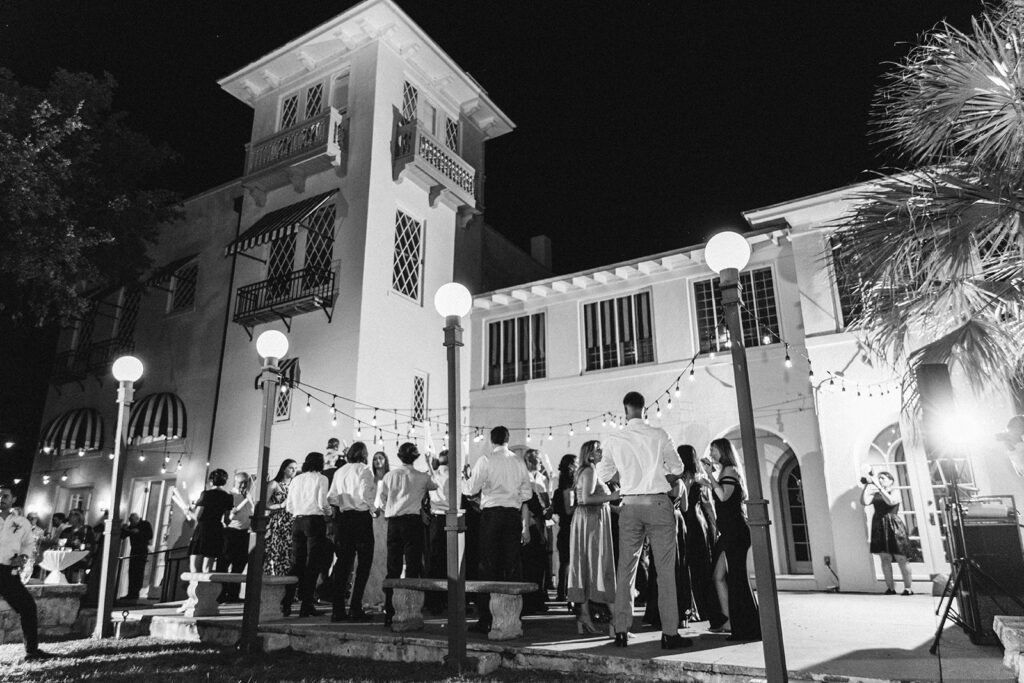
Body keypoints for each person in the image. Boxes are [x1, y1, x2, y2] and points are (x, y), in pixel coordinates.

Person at [596, 391, 691, 650]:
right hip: (658, 504)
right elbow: (679, 468)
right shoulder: (659, 435)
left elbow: (603, 472)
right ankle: (670, 633)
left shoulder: (615, 438)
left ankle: (621, 630)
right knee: (665, 570)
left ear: (625, 411)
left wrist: (625, 479)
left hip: (630, 505)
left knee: (626, 568)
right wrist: (660, 478)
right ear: (643, 409)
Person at [462, 426, 532, 634]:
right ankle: (512, 616)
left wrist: (465, 478)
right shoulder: (518, 462)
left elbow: (470, 489)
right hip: (512, 515)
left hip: (491, 515)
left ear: (491, 440)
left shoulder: (485, 460)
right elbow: (527, 493)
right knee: (511, 564)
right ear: (507, 439)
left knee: (488, 565)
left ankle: (487, 618)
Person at [697, 437, 761, 641]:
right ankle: (731, 622)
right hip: (729, 531)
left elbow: (724, 496)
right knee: (719, 576)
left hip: (736, 531)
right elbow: (724, 494)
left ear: (723, 451)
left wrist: (709, 475)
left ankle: (745, 626)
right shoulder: (725, 472)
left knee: (737, 578)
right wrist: (708, 480)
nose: (711, 454)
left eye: (714, 450)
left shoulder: (730, 470)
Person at [379, 442, 437, 626]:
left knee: (393, 567)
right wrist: (429, 465)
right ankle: (410, 607)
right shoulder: (421, 477)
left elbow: (382, 500)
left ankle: (390, 610)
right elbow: (436, 485)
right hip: (412, 522)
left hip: (394, 522)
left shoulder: (389, 475)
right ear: (416, 457)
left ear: (399, 456)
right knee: (412, 566)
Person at [566, 441, 618, 634]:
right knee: (599, 566)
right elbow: (587, 499)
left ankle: (585, 615)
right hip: (592, 522)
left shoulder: (586, 471)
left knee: (586, 568)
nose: (601, 452)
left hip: (587, 520)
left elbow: (590, 498)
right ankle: (616, 621)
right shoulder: (589, 471)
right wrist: (612, 497)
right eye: (597, 450)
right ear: (589, 454)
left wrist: (614, 507)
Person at [678, 445, 726, 629]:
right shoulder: (699, 476)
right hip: (699, 522)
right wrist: (715, 524)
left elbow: (683, 503)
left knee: (688, 565)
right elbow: (708, 505)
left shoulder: (683, 478)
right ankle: (705, 607)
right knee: (703, 564)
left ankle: (692, 609)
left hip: (686, 521)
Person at [328, 441, 376, 622]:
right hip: (361, 519)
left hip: (344, 519)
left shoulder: (340, 471)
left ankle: (337, 609)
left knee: (343, 565)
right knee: (363, 564)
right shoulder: (365, 469)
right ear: (364, 453)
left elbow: (331, 496)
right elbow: (366, 493)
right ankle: (355, 607)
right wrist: (374, 509)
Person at [0, 488, 50, 660]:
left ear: (13, 499)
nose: (1, 498)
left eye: (5, 496)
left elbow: (28, 543)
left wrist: (22, 556)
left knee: (28, 607)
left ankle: (32, 651)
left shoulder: (21, 522)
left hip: (8, 572)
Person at [286, 451, 332, 617]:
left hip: (297, 521)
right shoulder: (321, 478)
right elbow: (322, 502)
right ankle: (306, 604)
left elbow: (288, 505)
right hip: (314, 521)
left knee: (296, 562)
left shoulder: (296, 479)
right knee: (312, 563)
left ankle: (286, 602)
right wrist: (330, 512)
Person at [861, 469, 914, 595]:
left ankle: (908, 588)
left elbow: (891, 501)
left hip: (893, 524)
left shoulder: (895, 491)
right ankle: (890, 588)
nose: (880, 480)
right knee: (885, 558)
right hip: (879, 524)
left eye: (883, 478)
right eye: (879, 478)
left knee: (901, 557)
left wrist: (879, 487)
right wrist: (866, 486)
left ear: (891, 481)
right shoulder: (876, 493)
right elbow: (864, 502)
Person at [216, 472, 254, 603]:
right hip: (231, 533)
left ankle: (233, 595)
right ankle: (221, 595)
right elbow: (226, 517)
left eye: (246, 482)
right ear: (235, 482)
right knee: (224, 564)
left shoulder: (248, 496)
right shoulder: (230, 496)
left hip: (244, 534)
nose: (243, 485)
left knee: (239, 565)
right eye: (241, 482)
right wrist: (230, 514)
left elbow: (251, 512)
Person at [521, 449, 551, 613]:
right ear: (531, 461)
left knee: (540, 563)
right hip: (529, 521)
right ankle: (529, 600)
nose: (541, 464)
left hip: (540, 521)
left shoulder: (542, 479)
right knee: (529, 563)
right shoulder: (524, 477)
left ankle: (539, 596)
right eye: (539, 461)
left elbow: (546, 501)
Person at [188, 469, 233, 573]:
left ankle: (195, 586)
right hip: (216, 530)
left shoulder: (206, 494)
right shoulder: (228, 497)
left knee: (194, 566)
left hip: (203, 529)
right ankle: (206, 588)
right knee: (207, 568)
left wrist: (188, 511)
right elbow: (227, 520)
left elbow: (197, 516)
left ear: (211, 481)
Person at [424, 449, 451, 615]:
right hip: (450, 518)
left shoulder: (432, 475)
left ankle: (434, 601)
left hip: (435, 519)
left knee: (434, 561)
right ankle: (448, 599)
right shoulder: (453, 476)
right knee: (449, 561)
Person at [362, 451, 390, 611]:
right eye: (375, 458)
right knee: (371, 557)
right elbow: (366, 497)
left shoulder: (389, 478)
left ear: (385, 460)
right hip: (372, 518)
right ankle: (369, 596)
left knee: (384, 556)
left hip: (386, 518)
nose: (377, 461)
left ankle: (384, 595)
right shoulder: (370, 479)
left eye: (380, 458)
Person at [264, 458, 298, 580]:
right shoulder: (274, 484)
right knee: (277, 551)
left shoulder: (296, 484)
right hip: (278, 520)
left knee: (290, 553)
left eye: (296, 468)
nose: (294, 470)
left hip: (292, 521)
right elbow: (264, 504)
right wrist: (280, 505)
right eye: (291, 468)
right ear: (284, 469)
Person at [553, 453, 576, 604]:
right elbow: (568, 510)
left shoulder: (557, 491)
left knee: (564, 562)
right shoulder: (568, 490)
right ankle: (565, 593)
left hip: (564, 528)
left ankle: (562, 592)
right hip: (570, 528)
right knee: (567, 562)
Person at [120, 512, 154, 600]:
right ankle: (130, 592)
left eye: (132, 521)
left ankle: (135, 593)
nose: (132, 523)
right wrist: (123, 529)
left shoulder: (145, 524)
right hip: (134, 549)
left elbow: (150, 535)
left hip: (142, 549)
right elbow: (123, 535)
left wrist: (138, 532)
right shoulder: (132, 526)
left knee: (139, 571)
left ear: (136, 519)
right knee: (131, 571)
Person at [58, 510, 96, 582]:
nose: (69, 518)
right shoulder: (66, 530)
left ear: (78, 518)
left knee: (75, 582)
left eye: (71, 517)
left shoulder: (87, 530)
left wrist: (80, 545)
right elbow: (60, 542)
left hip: (79, 562)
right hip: (66, 561)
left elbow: (92, 547)